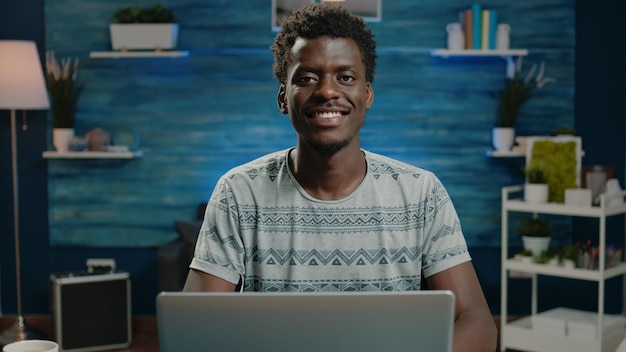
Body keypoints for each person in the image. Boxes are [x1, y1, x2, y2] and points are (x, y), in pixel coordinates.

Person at [184, 3, 497, 351]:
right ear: (283, 98)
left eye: (345, 77)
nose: (327, 91)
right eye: (307, 78)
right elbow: (196, 331)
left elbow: (476, 322)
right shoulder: (238, 193)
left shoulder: (420, 193)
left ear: (366, 95)